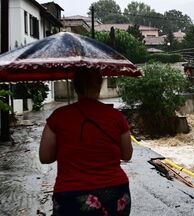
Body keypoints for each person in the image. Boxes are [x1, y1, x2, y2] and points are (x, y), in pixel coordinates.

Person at [39, 68, 133, 216]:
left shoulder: (58, 117)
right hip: (115, 192)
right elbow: (127, 154)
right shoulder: (116, 116)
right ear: (99, 84)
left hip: (70, 194)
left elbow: (45, 157)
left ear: (74, 86)